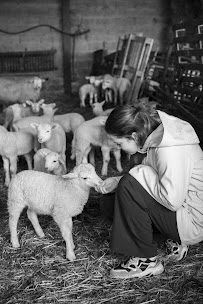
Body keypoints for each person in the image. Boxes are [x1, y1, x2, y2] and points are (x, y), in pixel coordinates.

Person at [95, 103, 203, 279]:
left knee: (129, 185)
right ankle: (170, 238)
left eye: (119, 143)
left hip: (191, 219)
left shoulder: (171, 149)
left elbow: (172, 200)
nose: (118, 147)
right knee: (110, 203)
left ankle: (145, 260)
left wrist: (134, 175)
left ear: (134, 135)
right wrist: (117, 180)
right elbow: (150, 170)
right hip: (178, 209)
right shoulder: (154, 138)